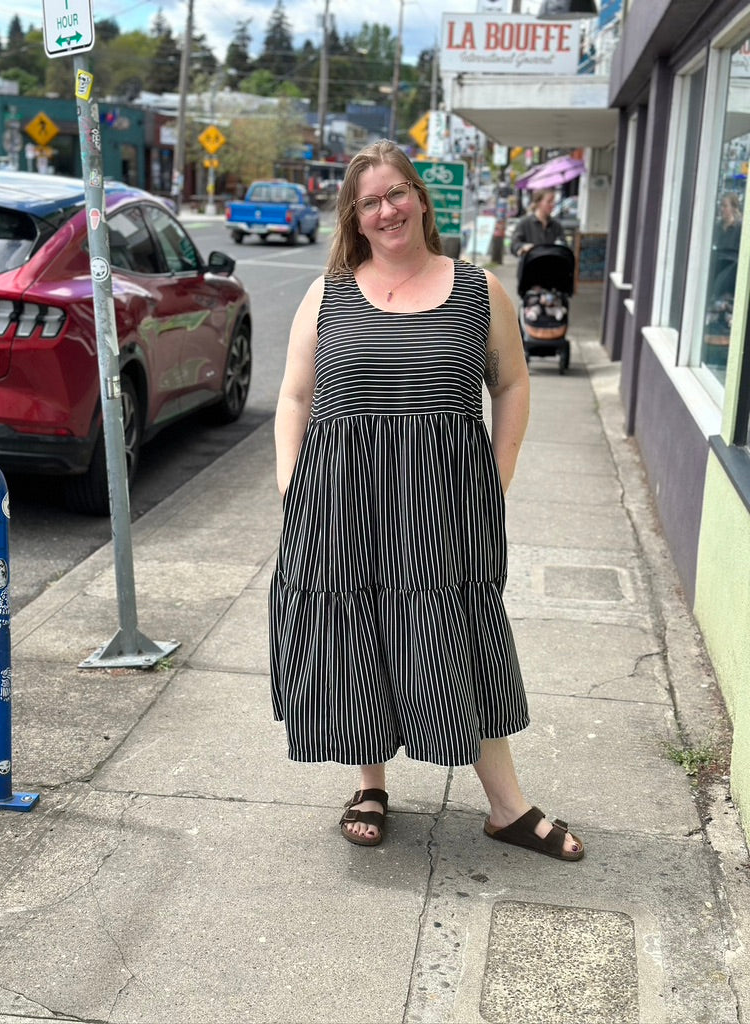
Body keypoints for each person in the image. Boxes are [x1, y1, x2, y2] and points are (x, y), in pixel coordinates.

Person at [269, 140, 583, 862]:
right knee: (358, 634)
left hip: (443, 507)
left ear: (419, 197)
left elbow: (511, 383)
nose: (387, 210)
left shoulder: (478, 288)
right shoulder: (330, 292)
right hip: (340, 501)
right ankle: (370, 785)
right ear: (354, 215)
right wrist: (291, 479)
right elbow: (294, 395)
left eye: (397, 193)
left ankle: (506, 807)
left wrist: (493, 479)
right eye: (370, 201)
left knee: (456, 638)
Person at [511, 189, 566, 257]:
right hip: (529, 265)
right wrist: (523, 247)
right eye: (549, 201)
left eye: (553, 201)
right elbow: (514, 245)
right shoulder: (524, 222)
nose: (552, 205)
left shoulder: (556, 225)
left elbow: (563, 245)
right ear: (539, 203)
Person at [711, 192, 742, 300]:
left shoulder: (739, 227)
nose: (722, 209)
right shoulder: (716, 226)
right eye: (721, 205)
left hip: (731, 266)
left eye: (725, 206)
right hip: (716, 263)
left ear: (733, 208)